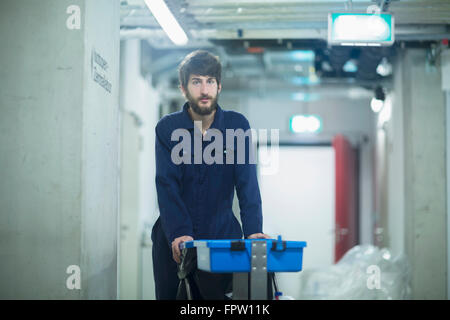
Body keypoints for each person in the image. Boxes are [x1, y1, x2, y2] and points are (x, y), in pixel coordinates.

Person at [151, 50, 269, 300]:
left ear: (219, 86)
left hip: (221, 239)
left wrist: (253, 230)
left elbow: (247, 182)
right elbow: (166, 184)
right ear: (184, 88)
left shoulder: (237, 126)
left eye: (210, 81)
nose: (204, 89)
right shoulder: (168, 129)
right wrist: (179, 232)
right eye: (196, 81)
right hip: (173, 238)